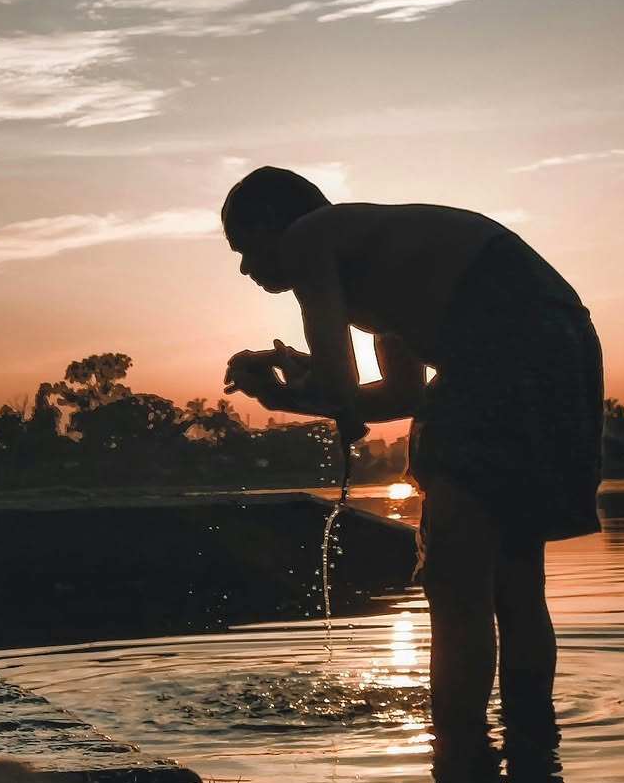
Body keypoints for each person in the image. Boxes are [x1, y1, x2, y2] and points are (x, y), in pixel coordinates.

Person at [221, 166, 604, 741]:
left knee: (454, 582)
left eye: (244, 248)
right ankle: (531, 750)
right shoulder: (383, 267)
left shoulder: (310, 237)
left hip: (503, 340)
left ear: (271, 223)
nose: (246, 269)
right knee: (515, 579)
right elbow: (400, 395)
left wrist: (280, 389)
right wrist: (303, 390)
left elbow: (336, 384)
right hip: (563, 345)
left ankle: (459, 758)